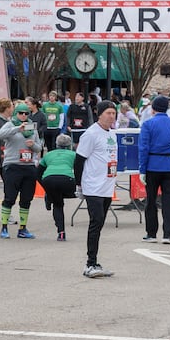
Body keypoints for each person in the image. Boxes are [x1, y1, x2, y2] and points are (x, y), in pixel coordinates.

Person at [76, 103, 118, 279]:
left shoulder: (112, 134)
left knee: (100, 224)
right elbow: (79, 160)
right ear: (99, 114)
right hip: (92, 186)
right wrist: (79, 185)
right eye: (108, 113)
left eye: (114, 113)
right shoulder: (91, 134)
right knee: (96, 221)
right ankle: (90, 264)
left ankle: (95, 262)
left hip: (107, 186)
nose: (111, 116)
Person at [137, 95, 170, 246]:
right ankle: (167, 234)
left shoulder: (148, 124)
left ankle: (151, 233)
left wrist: (142, 169)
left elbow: (143, 148)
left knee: (151, 200)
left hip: (152, 165)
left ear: (153, 109)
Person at [0, 99, 42, 239]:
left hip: (28, 166)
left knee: (26, 199)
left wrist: (33, 145)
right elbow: (0, 135)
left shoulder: (31, 127)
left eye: (26, 113)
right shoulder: (10, 125)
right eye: (20, 113)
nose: (23, 116)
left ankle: (22, 228)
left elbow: (39, 147)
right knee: (9, 198)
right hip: (12, 165)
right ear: (16, 113)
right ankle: (4, 228)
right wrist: (18, 128)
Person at [37, 133, 78, 242]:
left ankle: (61, 233)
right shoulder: (73, 154)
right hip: (67, 180)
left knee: (58, 204)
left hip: (48, 180)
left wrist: (45, 188)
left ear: (56, 145)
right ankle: (52, 196)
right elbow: (81, 170)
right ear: (70, 145)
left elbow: (38, 172)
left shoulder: (48, 154)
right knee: (76, 194)